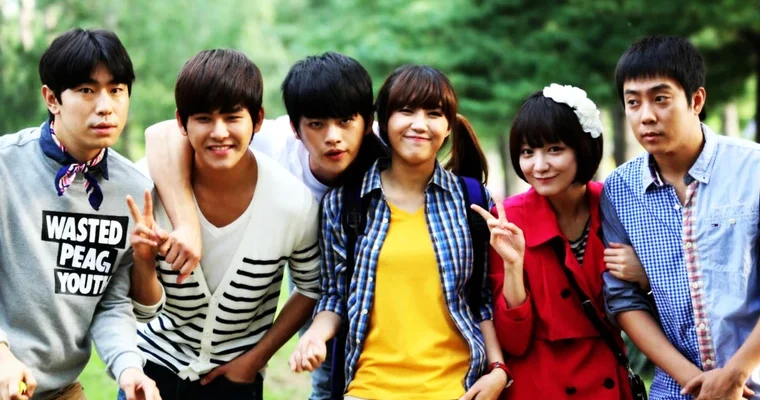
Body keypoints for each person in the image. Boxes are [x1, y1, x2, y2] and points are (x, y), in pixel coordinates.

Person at [141, 51, 385, 400]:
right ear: (295, 128)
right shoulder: (272, 140)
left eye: (345, 121)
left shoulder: (383, 150)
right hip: (305, 267)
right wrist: (187, 223)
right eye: (316, 124)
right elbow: (163, 134)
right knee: (324, 377)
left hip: (366, 279)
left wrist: (253, 361)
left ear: (367, 121)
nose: (333, 136)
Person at [290, 65, 510, 400]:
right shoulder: (345, 202)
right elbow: (333, 295)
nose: (419, 124)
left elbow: (481, 300)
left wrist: (498, 370)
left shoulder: (471, 200)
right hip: (369, 389)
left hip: (456, 389)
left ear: (448, 125)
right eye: (406, 111)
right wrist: (315, 336)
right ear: (382, 121)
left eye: (434, 113)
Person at [115, 49, 325, 400]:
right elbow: (140, 307)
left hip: (237, 382)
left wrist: (255, 359)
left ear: (257, 119)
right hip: (151, 372)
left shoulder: (293, 203)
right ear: (181, 122)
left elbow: (309, 287)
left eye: (232, 117)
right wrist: (144, 258)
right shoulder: (147, 188)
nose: (219, 132)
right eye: (203, 118)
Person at [0, 28, 163, 400]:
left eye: (116, 90)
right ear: (52, 99)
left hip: (59, 389)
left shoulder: (133, 190)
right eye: (87, 90)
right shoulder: (5, 167)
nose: (105, 106)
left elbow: (111, 302)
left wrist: (129, 369)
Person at [602, 35, 760, 399]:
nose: (646, 116)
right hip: (678, 389)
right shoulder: (620, 189)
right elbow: (624, 301)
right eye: (633, 102)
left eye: (660, 99)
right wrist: (699, 383)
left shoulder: (752, 171)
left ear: (696, 100)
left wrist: (734, 375)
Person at [474, 84, 640, 399]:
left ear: (583, 148)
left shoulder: (615, 206)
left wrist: (643, 275)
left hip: (607, 380)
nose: (539, 166)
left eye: (554, 149)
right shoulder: (508, 219)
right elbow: (513, 342)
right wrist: (513, 267)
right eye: (528, 152)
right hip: (540, 385)